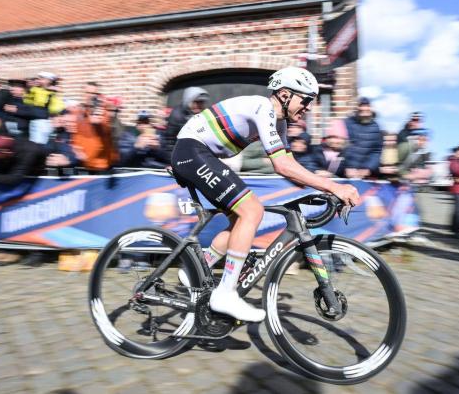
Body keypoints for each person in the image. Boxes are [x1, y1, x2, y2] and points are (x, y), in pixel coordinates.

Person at [170, 67, 359, 322]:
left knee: (240, 220)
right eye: (305, 100)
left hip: (200, 154)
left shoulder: (278, 123)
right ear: (284, 94)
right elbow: (282, 166)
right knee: (252, 211)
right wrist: (334, 187)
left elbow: (289, 166)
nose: (308, 108)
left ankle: (196, 269)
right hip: (192, 151)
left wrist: (320, 187)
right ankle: (225, 294)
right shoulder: (264, 109)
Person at [71, 82, 118, 173]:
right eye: (88, 93)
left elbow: (108, 131)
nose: (90, 96)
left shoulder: (103, 110)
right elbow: (74, 136)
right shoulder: (78, 112)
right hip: (83, 164)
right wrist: (76, 149)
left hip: (101, 165)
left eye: (94, 93)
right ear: (83, 94)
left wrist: (98, 124)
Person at [342, 97, 382, 180]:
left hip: (365, 175)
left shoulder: (376, 127)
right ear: (357, 108)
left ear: (370, 108)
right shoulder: (346, 123)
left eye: (366, 106)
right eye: (361, 106)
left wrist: (368, 168)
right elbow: (340, 147)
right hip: (345, 172)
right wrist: (347, 167)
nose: (364, 108)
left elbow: (376, 151)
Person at [163, 86, 210, 154]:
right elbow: (170, 141)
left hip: (201, 152)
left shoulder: (204, 114)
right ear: (188, 100)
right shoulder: (177, 115)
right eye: (196, 102)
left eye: (202, 102)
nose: (199, 105)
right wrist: (173, 160)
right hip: (182, 153)